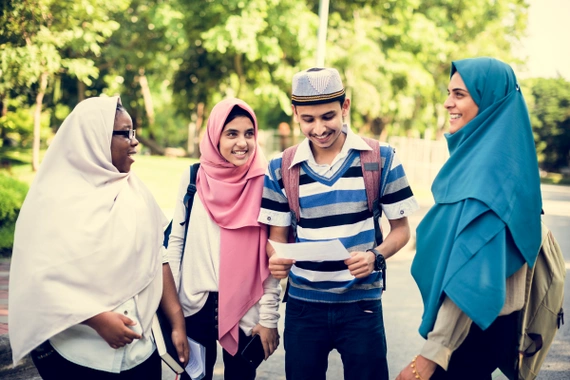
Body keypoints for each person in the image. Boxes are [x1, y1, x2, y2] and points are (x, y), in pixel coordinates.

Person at [9, 96, 189, 379]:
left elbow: (159, 256)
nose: (134, 142)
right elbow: (38, 278)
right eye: (124, 133)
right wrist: (97, 320)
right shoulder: (52, 202)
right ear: (94, 137)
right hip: (79, 355)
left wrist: (177, 323)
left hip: (142, 353)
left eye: (133, 132)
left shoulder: (136, 192)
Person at [258, 67, 420, 380]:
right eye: (308, 119)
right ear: (295, 114)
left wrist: (375, 256)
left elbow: (402, 231)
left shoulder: (381, 158)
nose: (319, 128)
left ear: (345, 107)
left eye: (328, 116)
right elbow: (275, 241)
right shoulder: (280, 168)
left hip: (362, 307)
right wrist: (276, 260)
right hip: (304, 308)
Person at [396, 57, 542, 380]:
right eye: (449, 92)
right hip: (488, 329)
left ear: (488, 100)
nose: (447, 102)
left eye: (459, 95)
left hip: (469, 333)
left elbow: (470, 276)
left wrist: (428, 358)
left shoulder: (489, 175)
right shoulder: (504, 161)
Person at [166, 98, 281, 380]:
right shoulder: (194, 177)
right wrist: (174, 314)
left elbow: (272, 257)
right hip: (195, 305)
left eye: (249, 133)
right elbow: (176, 244)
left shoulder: (266, 182)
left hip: (246, 307)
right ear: (215, 136)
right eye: (232, 134)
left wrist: (268, 318)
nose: (242, 143)